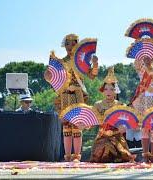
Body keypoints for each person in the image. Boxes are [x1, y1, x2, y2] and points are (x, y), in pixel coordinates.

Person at [44, 33, 98, 162]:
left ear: (78, 45)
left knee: (78, 125)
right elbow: (53, 78)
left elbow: (92, 75)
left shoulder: (82, 62)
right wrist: (47, 75)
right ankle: (67, 156)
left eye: (73, 44)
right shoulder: (61, 62)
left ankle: (77, 156)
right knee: (67, 126)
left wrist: (95, 64)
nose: (70, 46)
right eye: (67, 44)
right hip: (65, 96)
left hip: (78, 95)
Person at [90, 66, 135, 163]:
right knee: (103, 147)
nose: (108, 92)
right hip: (102, 136)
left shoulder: (120, 105)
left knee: (120, 154)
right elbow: (91, 120)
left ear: (115, 91)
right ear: (103, 91)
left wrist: (124, 127)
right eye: (106, 89)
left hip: (116, 136)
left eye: (111, 89)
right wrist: (85, 125)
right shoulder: (98, 105)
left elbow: (129, 121)